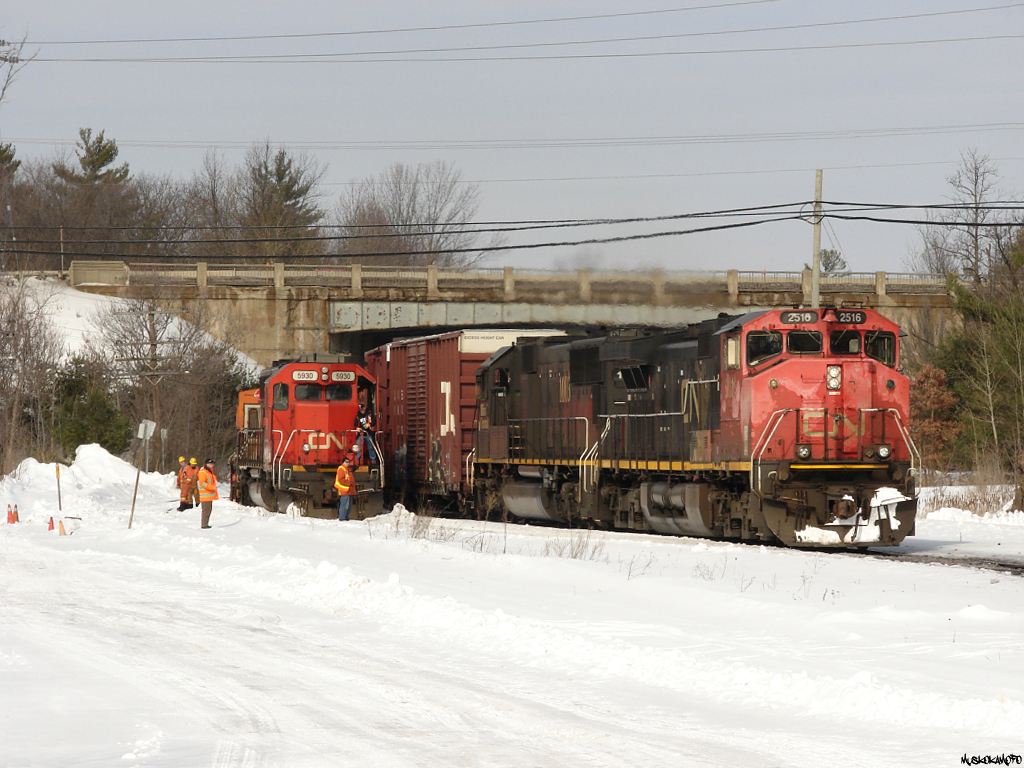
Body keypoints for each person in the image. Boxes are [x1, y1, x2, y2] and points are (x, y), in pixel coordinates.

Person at [196, 458, 219, 529]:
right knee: (206, 511)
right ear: (207, 464)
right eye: (211, 464)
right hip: (205, 496)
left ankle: (205, 524)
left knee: (208, 510)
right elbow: (202, 483)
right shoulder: (203, 472)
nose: (213, 465)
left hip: (208, 496)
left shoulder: (208, 472)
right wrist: (212, 487)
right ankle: (204, 525)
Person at [334, 454, 357, 521]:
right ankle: (342, 518)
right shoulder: (341, 469)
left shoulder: (347, 469)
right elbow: (341, 480)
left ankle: (346, 518)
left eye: (348, 462)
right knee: (344, 505)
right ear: (343, 462)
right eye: (346, 462)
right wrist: (349, 484)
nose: (347, 463)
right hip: (345, 490)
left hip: (349, 490)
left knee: (348, 505)